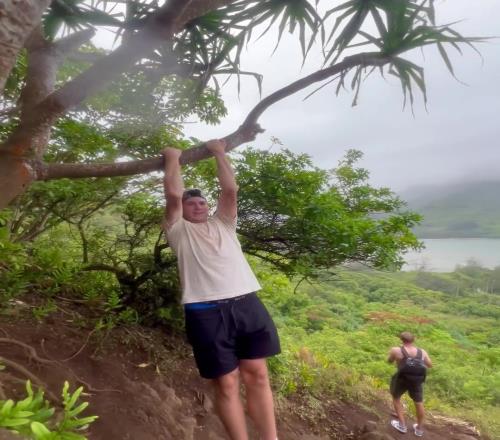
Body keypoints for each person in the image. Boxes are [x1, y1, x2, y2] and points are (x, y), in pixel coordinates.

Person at [161, 139, 281, 440]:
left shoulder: (225, 224)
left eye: (201, 202)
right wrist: (173, 159)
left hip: (247, 305)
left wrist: (219, 152)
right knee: (226, 383)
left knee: (258, 374)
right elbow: (173, 195)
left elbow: (230, 191)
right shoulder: (178, 231)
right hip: (205, 312)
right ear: (184, 211)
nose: (198, 206)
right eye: (192, 204)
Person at [388, 331, 432, 437]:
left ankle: (402, 425)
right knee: (418, 402)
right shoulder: (422, 352)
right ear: (413, 340)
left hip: (401, 379)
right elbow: (429, 365)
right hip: (416, 381)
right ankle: (419, 429)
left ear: (401, 340)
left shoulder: (396, 350)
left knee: (396, 398)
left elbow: (389, 361)